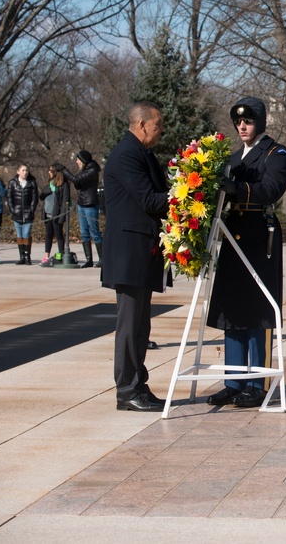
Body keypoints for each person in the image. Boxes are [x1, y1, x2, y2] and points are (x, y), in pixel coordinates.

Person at [205, 97, 286, 408]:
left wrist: (238, 189)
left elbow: (271, 189)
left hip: (258, 235)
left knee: (257, 309)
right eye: (239, 121)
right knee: (232, 308)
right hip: (233, 233)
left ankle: (257, 383)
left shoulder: (275, 153)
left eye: (249, 121)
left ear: (261, 123)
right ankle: (233, 381)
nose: (242, 126)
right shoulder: (231, 158)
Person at [102, 102, 171, 412]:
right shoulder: (127, 154)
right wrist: (184, 196)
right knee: (130, 326)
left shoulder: (142, 153)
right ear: (142, 124)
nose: (161, 130)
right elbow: (147, 199)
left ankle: (138, 385)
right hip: (129, 253)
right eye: (157, 124)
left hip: (141, 252)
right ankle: (127, 390)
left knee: (141, 326)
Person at [57, 149, 102, 268]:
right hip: (82, 204)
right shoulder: (85, 170)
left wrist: (64, 170)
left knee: (94, 232)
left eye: (78, 159)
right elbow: (78, 184)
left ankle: (102, 259)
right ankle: (89, 259)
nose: (77, 161)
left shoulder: (92, 170)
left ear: (83, 160)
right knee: (84, 233)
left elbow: (76, 180)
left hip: (90, 204)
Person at [6, 164, 39, 265]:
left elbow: (35, 198)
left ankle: (27, 256)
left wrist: (31, 209)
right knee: (20, 236)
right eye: (23, 170)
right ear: (18, 171)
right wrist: (13, 210)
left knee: (26, 235)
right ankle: (21, 257)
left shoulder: (31, 183)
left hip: (28, 214)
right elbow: (9, 198)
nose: (25, 172)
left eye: (27, 171)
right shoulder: (12, 183)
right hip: (17, 213)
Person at [38, 164, 69, 267]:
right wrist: (46, 191)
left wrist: (62, 217)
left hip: (56, 214)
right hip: (47, 214)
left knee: (59, 236)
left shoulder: (64, 185)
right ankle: (46, 256)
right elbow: (41, 197)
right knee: (48, 235)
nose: (49, 173)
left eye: (51, 171)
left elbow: (65, 201)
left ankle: (61, 255)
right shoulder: (49, 183)